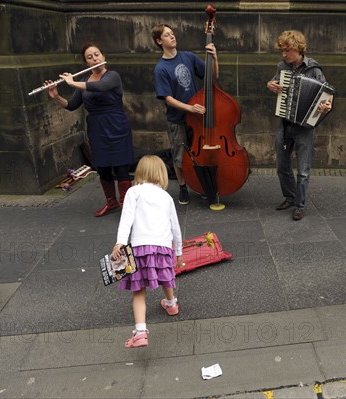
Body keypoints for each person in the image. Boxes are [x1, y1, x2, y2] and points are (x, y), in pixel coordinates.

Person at [46, 43, 134, 217]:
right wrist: (56, 96)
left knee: (121, 169)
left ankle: (127, 207)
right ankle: (111, 203)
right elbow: (71, 105)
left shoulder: (113, 76)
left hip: (116, 127)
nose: (95, 59)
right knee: (102, 168)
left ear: (103, 55)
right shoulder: (85, 81)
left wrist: (72, 82)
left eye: (97, 54)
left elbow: (100, 87)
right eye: (90, 57)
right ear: (86, 63)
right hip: (97, 129)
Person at [112, 155, 184, 348]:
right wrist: (178, 251)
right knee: (165, 276)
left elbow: (126, 218)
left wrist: (120, 242)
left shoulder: (133, 192)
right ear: (162, 174)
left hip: (139, 247)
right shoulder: (166, 197)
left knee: (139, 291)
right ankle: (171, 304)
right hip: (162, 246)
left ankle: (141, 332)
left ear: (139, 172)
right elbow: (175, 227)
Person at [266, 30, 333, 221]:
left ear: (298, 49)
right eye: (282, 51)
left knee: (303, 170)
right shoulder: (282, 66)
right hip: (285, 122)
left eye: (287, 50)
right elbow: (274, 82)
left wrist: (326, 105)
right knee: (282, 165)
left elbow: (327, 94)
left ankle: (300, 205)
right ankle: (290, 197)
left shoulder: (314, 70)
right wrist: (270, 84)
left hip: (304, 127)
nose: (284, 55)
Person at [151, 23, 219, 205]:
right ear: (159, 41)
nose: (172, 36)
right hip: (178, 119)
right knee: (179, 156)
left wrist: (214, 58)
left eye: (172, 33)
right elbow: (168, 99)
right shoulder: (160, 69)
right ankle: (182, 188)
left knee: (199, 154)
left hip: (196, 119)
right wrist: (190, 108)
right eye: (167, 35)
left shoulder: (188, 57)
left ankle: (201, 185)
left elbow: (212, 77)